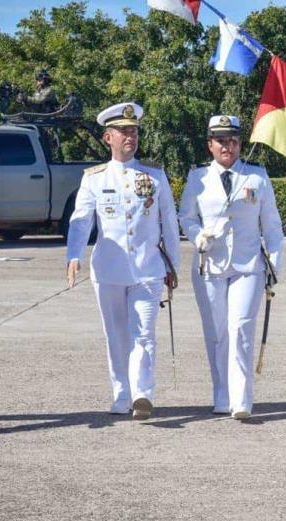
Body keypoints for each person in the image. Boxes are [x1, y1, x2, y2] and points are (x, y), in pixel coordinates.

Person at [66, 102, 180, 420]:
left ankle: (143, 393)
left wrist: (174, 267)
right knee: (116, 335)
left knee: (143, 332)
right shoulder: (94, 178)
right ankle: (121, 394)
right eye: (123, 131)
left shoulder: (154, 176)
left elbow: (169, 223)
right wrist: (73, 255)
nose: (130, 136)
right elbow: (80, 220)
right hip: (109, 270)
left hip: (148, 269)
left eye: (134, 131)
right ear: (108, 138)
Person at [179, 115, 284, 420]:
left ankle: (242, 399)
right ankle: (221, 394)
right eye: (221, 141)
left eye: (234, 141)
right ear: (210, 144)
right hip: (209, 264)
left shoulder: (256, 176)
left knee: (240, 329)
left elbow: (272, 224)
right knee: (216, 333)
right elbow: (186, 216)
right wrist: (198, 236)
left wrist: (275, 265)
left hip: (247, 264)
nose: (228, 146)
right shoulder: (197, 178)